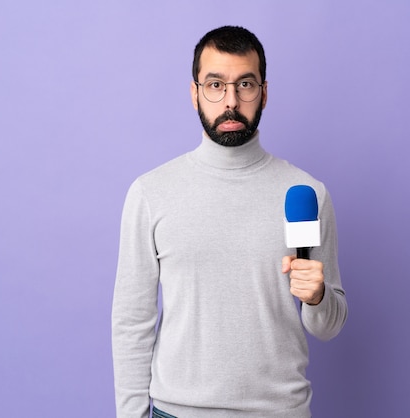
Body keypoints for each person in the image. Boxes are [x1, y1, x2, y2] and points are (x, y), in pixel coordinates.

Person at [112, 25, 347, 418]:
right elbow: (131, 321)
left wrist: (318, 297)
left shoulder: (305, 193)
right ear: (195, 93)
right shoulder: (151, 193)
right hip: (177, 412)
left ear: (264, 93)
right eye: (216, 85)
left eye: (246, 84)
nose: (231, 101)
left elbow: (328, 325)